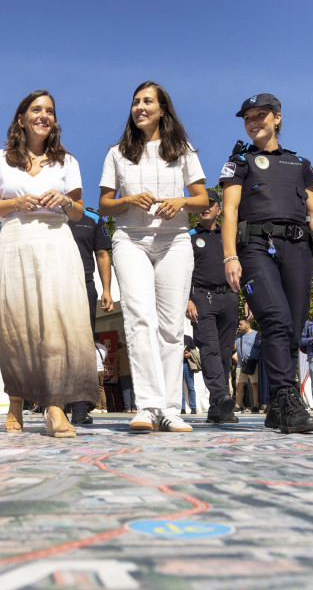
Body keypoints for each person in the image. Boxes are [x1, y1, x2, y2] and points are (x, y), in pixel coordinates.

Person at [0, 89, 95, 438]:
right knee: (17, 326)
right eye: (36, 109)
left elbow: (78, 211)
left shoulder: (67, 162)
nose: (43, 115)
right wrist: (16, 203)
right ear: (21, 118)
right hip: (15, 242)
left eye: (49, 111)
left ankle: (55, 407)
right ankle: (15, 403)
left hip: (57, 243)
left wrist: (64, 200)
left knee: (59, 326)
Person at [221, 93, 313, 434]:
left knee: (292, 329)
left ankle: (276, 409)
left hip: (299, 249)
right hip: (255, 247)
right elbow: (229, 211)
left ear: (277, 118)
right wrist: (230, 256)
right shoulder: (240, 161)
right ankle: (288, 399)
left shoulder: (299, 163)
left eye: (261, 115)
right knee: (276, 318)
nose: (254, 121)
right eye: (248, 117)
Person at [98, 81, 209, 433]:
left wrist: (182, 202)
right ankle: (147, 406)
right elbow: (104, 204)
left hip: (174, 240)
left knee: (173, 326)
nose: (140, 107)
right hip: (130, 240)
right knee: (139, 318)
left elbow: (203, 199)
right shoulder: (117, 152)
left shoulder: (183, 150)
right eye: (135, 102)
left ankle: (170, 409)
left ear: (163, 109)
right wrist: (129, 200)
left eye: (148, 101)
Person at [186, 188, 240, 423]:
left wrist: (248, 298)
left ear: (219, 209)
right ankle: (221, 395)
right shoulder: (188, 236)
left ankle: (217, 408)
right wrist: (186, 298)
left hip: (229, 298)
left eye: (211, 204)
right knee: (210, 348)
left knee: (226, 352)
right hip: (200, 298)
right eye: (201, 205)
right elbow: (180, 271)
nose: (205, 208)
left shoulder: (230, 235)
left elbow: (243, 268)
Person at [67, 211, 115, 423]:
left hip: (84, 284)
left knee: (83, 346)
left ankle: (80, 407)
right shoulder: (48, 214)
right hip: (53, 283)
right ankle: (54, 405)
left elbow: (102, 254)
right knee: (53, 344)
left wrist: (107, 290)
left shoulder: (93, 219)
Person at [233, 319, 260, 413]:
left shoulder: (256, 334)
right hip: (241, 364)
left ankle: (255, 406)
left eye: (241, 324)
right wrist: (233, 334)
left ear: (248, 325)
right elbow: (233, 347)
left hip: (253, 363)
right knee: (239, 385)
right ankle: (238, 405)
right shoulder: (238, 336)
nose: (239, 326)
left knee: (255, 385)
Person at [182, 335, 198, 415]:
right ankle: (182, 408)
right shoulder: (172, 337)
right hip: (176, 365)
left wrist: (189, 354)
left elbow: (194, 350)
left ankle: (193, 407)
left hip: (187, 364)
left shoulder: (188, 338)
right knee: (179, 388)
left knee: (190, 387)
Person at [95, 340, 110, 414]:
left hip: (95, 369)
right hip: (101, 369)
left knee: (96, 388)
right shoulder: (103, 347)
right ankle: (104, 408)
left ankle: (98, 407)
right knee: (101, 388)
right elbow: (106, 359)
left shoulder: (92, 347)